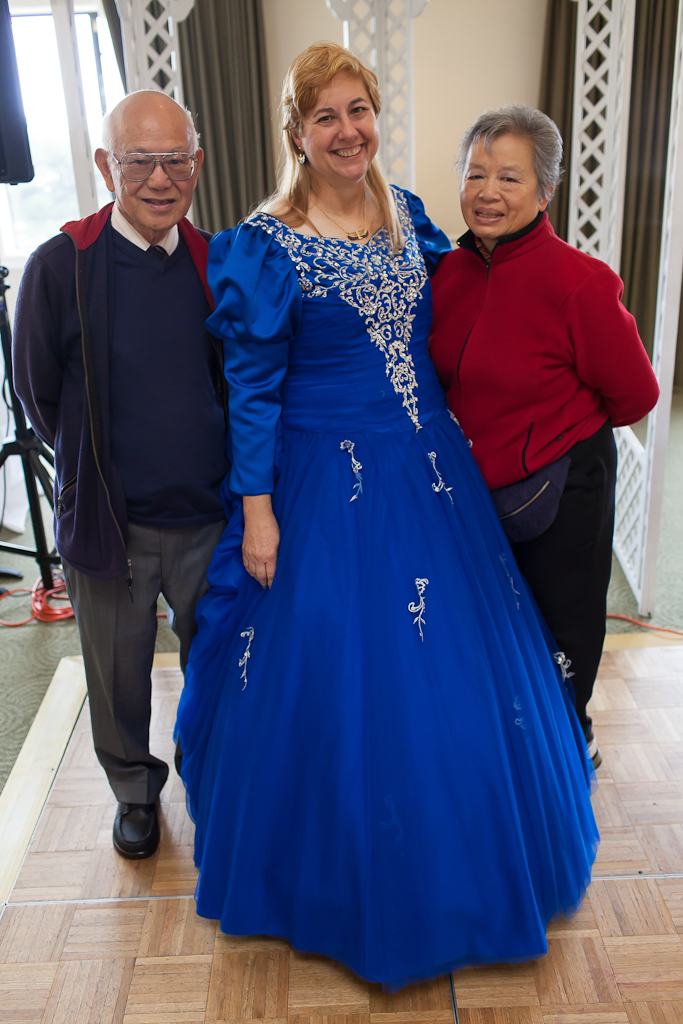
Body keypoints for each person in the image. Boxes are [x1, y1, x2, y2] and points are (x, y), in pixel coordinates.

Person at [176, 44, 598, 991]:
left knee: (455, 668)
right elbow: (252, 391)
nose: (347, 131)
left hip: (430, 469)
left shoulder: (408, 213)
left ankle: (462, 861)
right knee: (332, 668)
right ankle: (335, 879)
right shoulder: (265, 243)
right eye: (324, 116)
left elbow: (467, 314)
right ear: (296, 132)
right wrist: (257, 513)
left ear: (375, 115)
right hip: (320, 480)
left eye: (358, 109)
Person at [13, 90, 228, 861]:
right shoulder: (61, 266)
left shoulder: (218, 262)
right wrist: (91, 472)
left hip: (211, 518)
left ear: (196, 164)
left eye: (176, 161)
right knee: (118, 676)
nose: (160, 180)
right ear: (107, 167)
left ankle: (215, 778)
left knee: (220, 665)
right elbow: (37, 393)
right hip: (113, 525)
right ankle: (135, 793)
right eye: (140, 162)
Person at [430, 105, 660, 770]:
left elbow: (636, 396)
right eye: (475, 174)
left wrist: (555, 425)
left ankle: (568, 743)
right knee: (488, 624)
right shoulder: (447, 273)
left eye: (509, 177)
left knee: (562, 625)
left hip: (562, 482)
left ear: (545, 191)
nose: (488, 192)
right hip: (476, 487)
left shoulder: (580, 282)